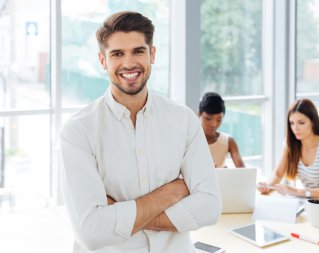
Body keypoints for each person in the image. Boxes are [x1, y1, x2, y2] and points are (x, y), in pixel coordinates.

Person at [59, 11, 221, 253]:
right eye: (117, 54)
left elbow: (209, 207)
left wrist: (119, 214)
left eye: (138, 51)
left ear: (152, 54)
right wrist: (171, 192)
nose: (128, 63)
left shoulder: (183, 119)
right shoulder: (78, 131)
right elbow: (91, 231)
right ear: (103, 61)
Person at [257, 98, 319, 202]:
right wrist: (267, 186)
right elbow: (278, 174)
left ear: (313, 122)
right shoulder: (290, 145)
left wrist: (298, 192)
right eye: (292, 123)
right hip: (315, 205)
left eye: (301, 123)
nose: (295, 128)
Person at [198, 92, 245, 168]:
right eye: (208, 118)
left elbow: (243, 171)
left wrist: (226, 173)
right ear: (199, 114)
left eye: (219, 120)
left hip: (221, 180)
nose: (214, 124)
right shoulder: (189, 140)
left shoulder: (228, 141)